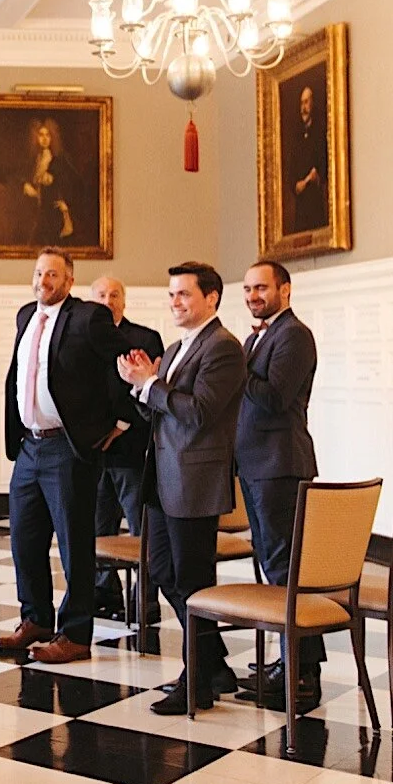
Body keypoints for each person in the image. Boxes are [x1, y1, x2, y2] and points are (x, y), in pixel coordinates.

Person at [117, 261, 245, 716]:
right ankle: (212, 663)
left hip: (194, 481)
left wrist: (150, 383)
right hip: (163, 478)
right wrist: (138, 386)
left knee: (193, 579)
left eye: (184, 294)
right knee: (161, 570)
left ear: (211, 298)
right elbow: (161, 412)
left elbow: (199, 413)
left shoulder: (224, 347)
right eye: (171, 294)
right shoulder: (174, 349)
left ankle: (199, 683)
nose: (175, 302)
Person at [0, 250, 131, 664]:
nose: (43, 281)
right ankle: (36, 618)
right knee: (24, 540)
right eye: (39, 273)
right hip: (28, 447)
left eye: (52, 274)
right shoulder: (25, 315)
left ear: (69, 281)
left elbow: (127, 356)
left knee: (74, 544)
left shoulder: (88, 317)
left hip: (66, 448)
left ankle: (75, 633)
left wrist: (120, 421)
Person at [235, 260, 323, 712]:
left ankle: (301, 675)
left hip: (280, 465)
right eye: (248, 288)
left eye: (261, 287)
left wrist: (236, 368)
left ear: (285, 289)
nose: (253, 295)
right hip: (255, 465)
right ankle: (292, 661)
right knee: (275, 567)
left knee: (286, 568)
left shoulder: (294, 335)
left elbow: (274, 398)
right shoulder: (257, 337)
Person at [87, 276, 164, 624]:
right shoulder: (82, 336)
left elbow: (150, 387)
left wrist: (120, 424)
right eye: (101, 294)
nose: (108, 300)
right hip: (92, 450)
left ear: (124, 300)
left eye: (114, 294)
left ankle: (145, 600)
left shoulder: (145, 338)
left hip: (131, 447)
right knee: (97, 526)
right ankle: (105, 592)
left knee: (141, 529)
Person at [21, 118, 82, 245]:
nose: (44, 139)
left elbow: (73, 182)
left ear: (52, 137)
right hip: (37, 209)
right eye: (41, 135)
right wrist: (26, 186)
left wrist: (66, 203)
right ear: (36, 138)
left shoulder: (59, 160)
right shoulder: (35, 160)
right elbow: (24, 179)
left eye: (48, 135)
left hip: (54, 211)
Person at [284, 84, 329, 233]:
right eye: (301, 103)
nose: (303, 108)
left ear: (312, 103)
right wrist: (296, 185)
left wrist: (316, 176)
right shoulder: (296, 137)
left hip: (315, 203)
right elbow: (291, 172)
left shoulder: (319, 132)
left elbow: (325, 165)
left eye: (306, 102)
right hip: (301, 207)